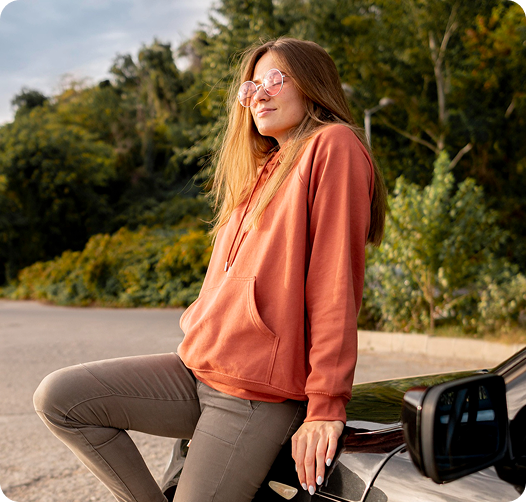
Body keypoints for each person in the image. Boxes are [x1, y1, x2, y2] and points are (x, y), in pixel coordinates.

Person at [33, 37, 387, 502]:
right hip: (196, 369)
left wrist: (325, 406)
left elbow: (334, 286)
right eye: (250, 87)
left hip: (253, 395)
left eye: (274, 80)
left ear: (312, 84)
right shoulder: (262, 168)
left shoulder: (333, 145)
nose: (258, 95)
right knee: (60, 398)